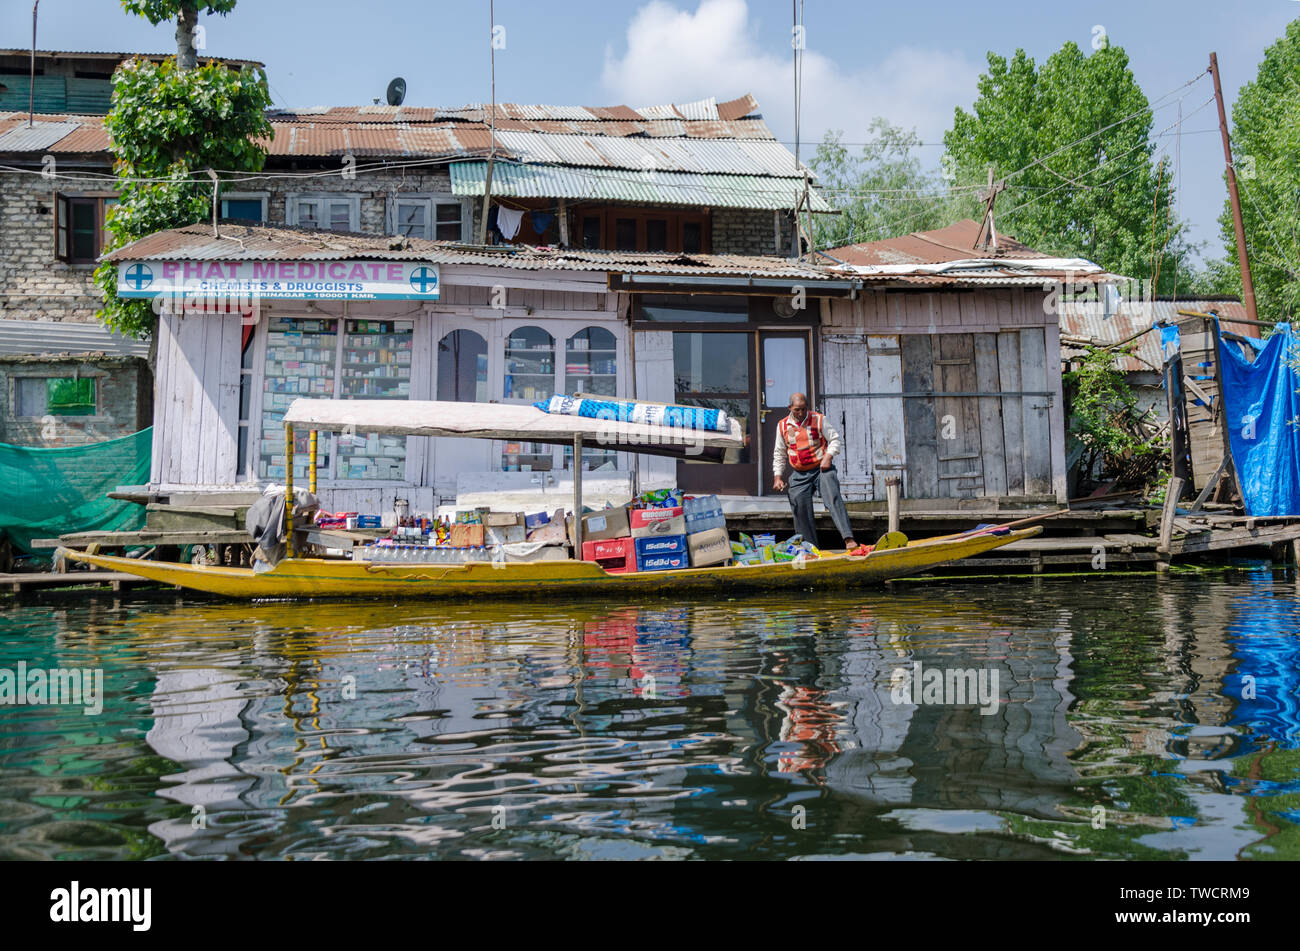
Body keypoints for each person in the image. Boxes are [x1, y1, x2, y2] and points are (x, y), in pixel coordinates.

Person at [772, 393, 858, 550]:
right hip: (799, 474)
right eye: (797, 409)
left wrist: (828, 456)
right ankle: (809, 548)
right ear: (790, 408)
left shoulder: (818, 419)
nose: (801, 413)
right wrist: (777, 477)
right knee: (799, 505)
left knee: (832, 496)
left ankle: (848, 538)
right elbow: (779, 453)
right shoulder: (782, 425)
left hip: (821, 469)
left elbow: (835, 440)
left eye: (804, 409)